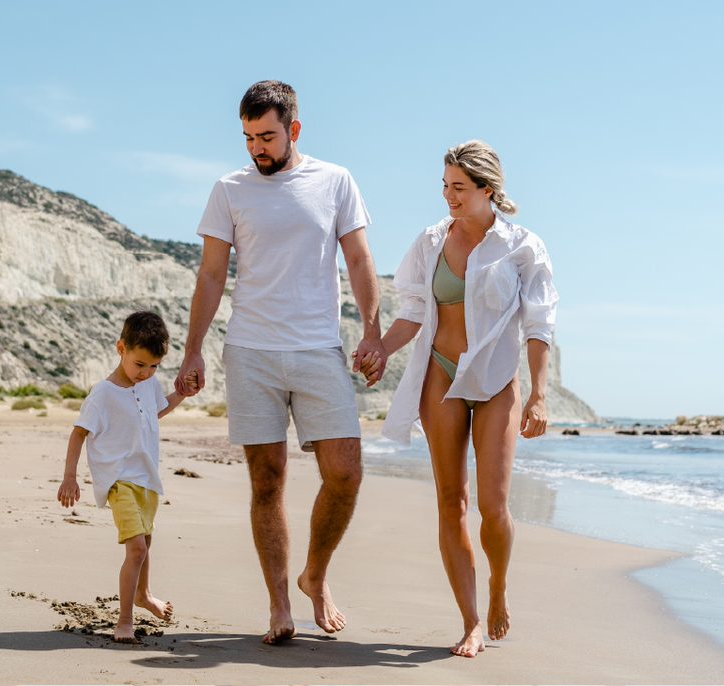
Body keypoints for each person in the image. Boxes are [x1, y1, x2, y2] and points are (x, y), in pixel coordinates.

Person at [176, 80, 384, 644]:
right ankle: (279, 606)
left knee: (344, 473)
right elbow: (212, 274)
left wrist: (372, 332)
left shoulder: (335, 181)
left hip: (319, 349)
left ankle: (314, 574)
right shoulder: (229, 189)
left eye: (266, 136)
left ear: (293, 129)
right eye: (248, 137)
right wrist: (194, 348)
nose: (256, 148)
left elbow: (359, 258)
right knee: (267, 480)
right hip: (251, 352)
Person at [370, 139, 556, 657]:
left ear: (487, 189)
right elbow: (412, 310)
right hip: (441, 376)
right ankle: (471, 620)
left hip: (496, 381)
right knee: (451, 502)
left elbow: (539, 324)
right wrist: (380, 349)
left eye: (459, 187)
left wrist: (539, 395)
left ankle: (498, 586)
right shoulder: (431, 241)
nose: (448, 196)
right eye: (445, 185)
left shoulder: (522, 246)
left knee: (493, 506)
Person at [57, 311, 198, 643]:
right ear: (121, 348)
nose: (146, 373)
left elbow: (157, 410)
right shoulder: (103, 393)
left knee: (145, 543)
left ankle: (143, 594)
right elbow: (78, 433)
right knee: (136, 548)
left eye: (154, 366)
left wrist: (182, 394)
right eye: (140, 364)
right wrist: (69, 477)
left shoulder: (148, 384)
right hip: (118, 480)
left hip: (147, 479)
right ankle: (124, 621)